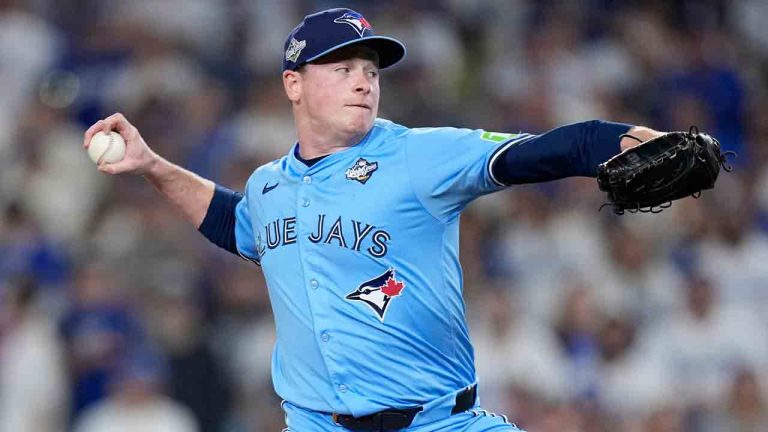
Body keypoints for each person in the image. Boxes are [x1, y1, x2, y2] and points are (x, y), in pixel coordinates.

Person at [83, 8, 664, 431]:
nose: (363, 79)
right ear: (293, 83)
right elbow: (235, 222)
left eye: (371, 70)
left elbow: (539, 152)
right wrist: (153, 166)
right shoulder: (269, 184)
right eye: (341, 67)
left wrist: (617, 141)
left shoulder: (417, 155)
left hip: (439, 423)